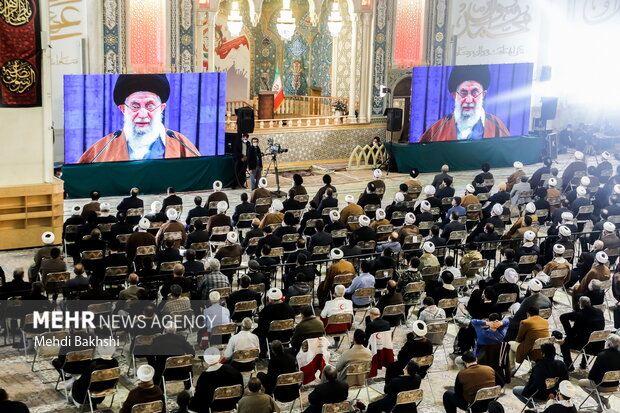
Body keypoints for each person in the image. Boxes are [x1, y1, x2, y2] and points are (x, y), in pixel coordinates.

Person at [78, 74, 200, 162]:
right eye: (135, 106)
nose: (142, 114)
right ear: (123, 109)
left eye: (150, 106)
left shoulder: (181, 144)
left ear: (161, 108)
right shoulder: (101, 148)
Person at [419, 65, 510, 142]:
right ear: (455, 95)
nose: (469, 100)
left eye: (475, 92)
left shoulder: (496, 125)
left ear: (483, 94)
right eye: (464, 93)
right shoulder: (438, 128)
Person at [512, 343, 568, 408]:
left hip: (540, 395)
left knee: (515, 390)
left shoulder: (539, 366)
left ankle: (534, 407)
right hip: (556, 395)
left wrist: (548, 393)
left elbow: (537, 385)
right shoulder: (561, 364)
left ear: (543, 354)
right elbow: (565, 381)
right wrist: (554, 392)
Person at [190, 349, 244, 413]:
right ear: (219, 358)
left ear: (206, 361)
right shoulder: (233, 370)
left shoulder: (204, 377)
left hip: (214, 406)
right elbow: (241, 388)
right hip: (232, 403)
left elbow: (200, 396)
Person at [560, 296, 605, 370]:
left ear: (580, 304)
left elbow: (574, 331)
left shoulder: (580, 315)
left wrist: (567, 338)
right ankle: (583, 363)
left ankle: (569, 366)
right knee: (589, 336)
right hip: (599, 344)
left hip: (586, 344)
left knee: (564, 345)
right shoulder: (599, 312)